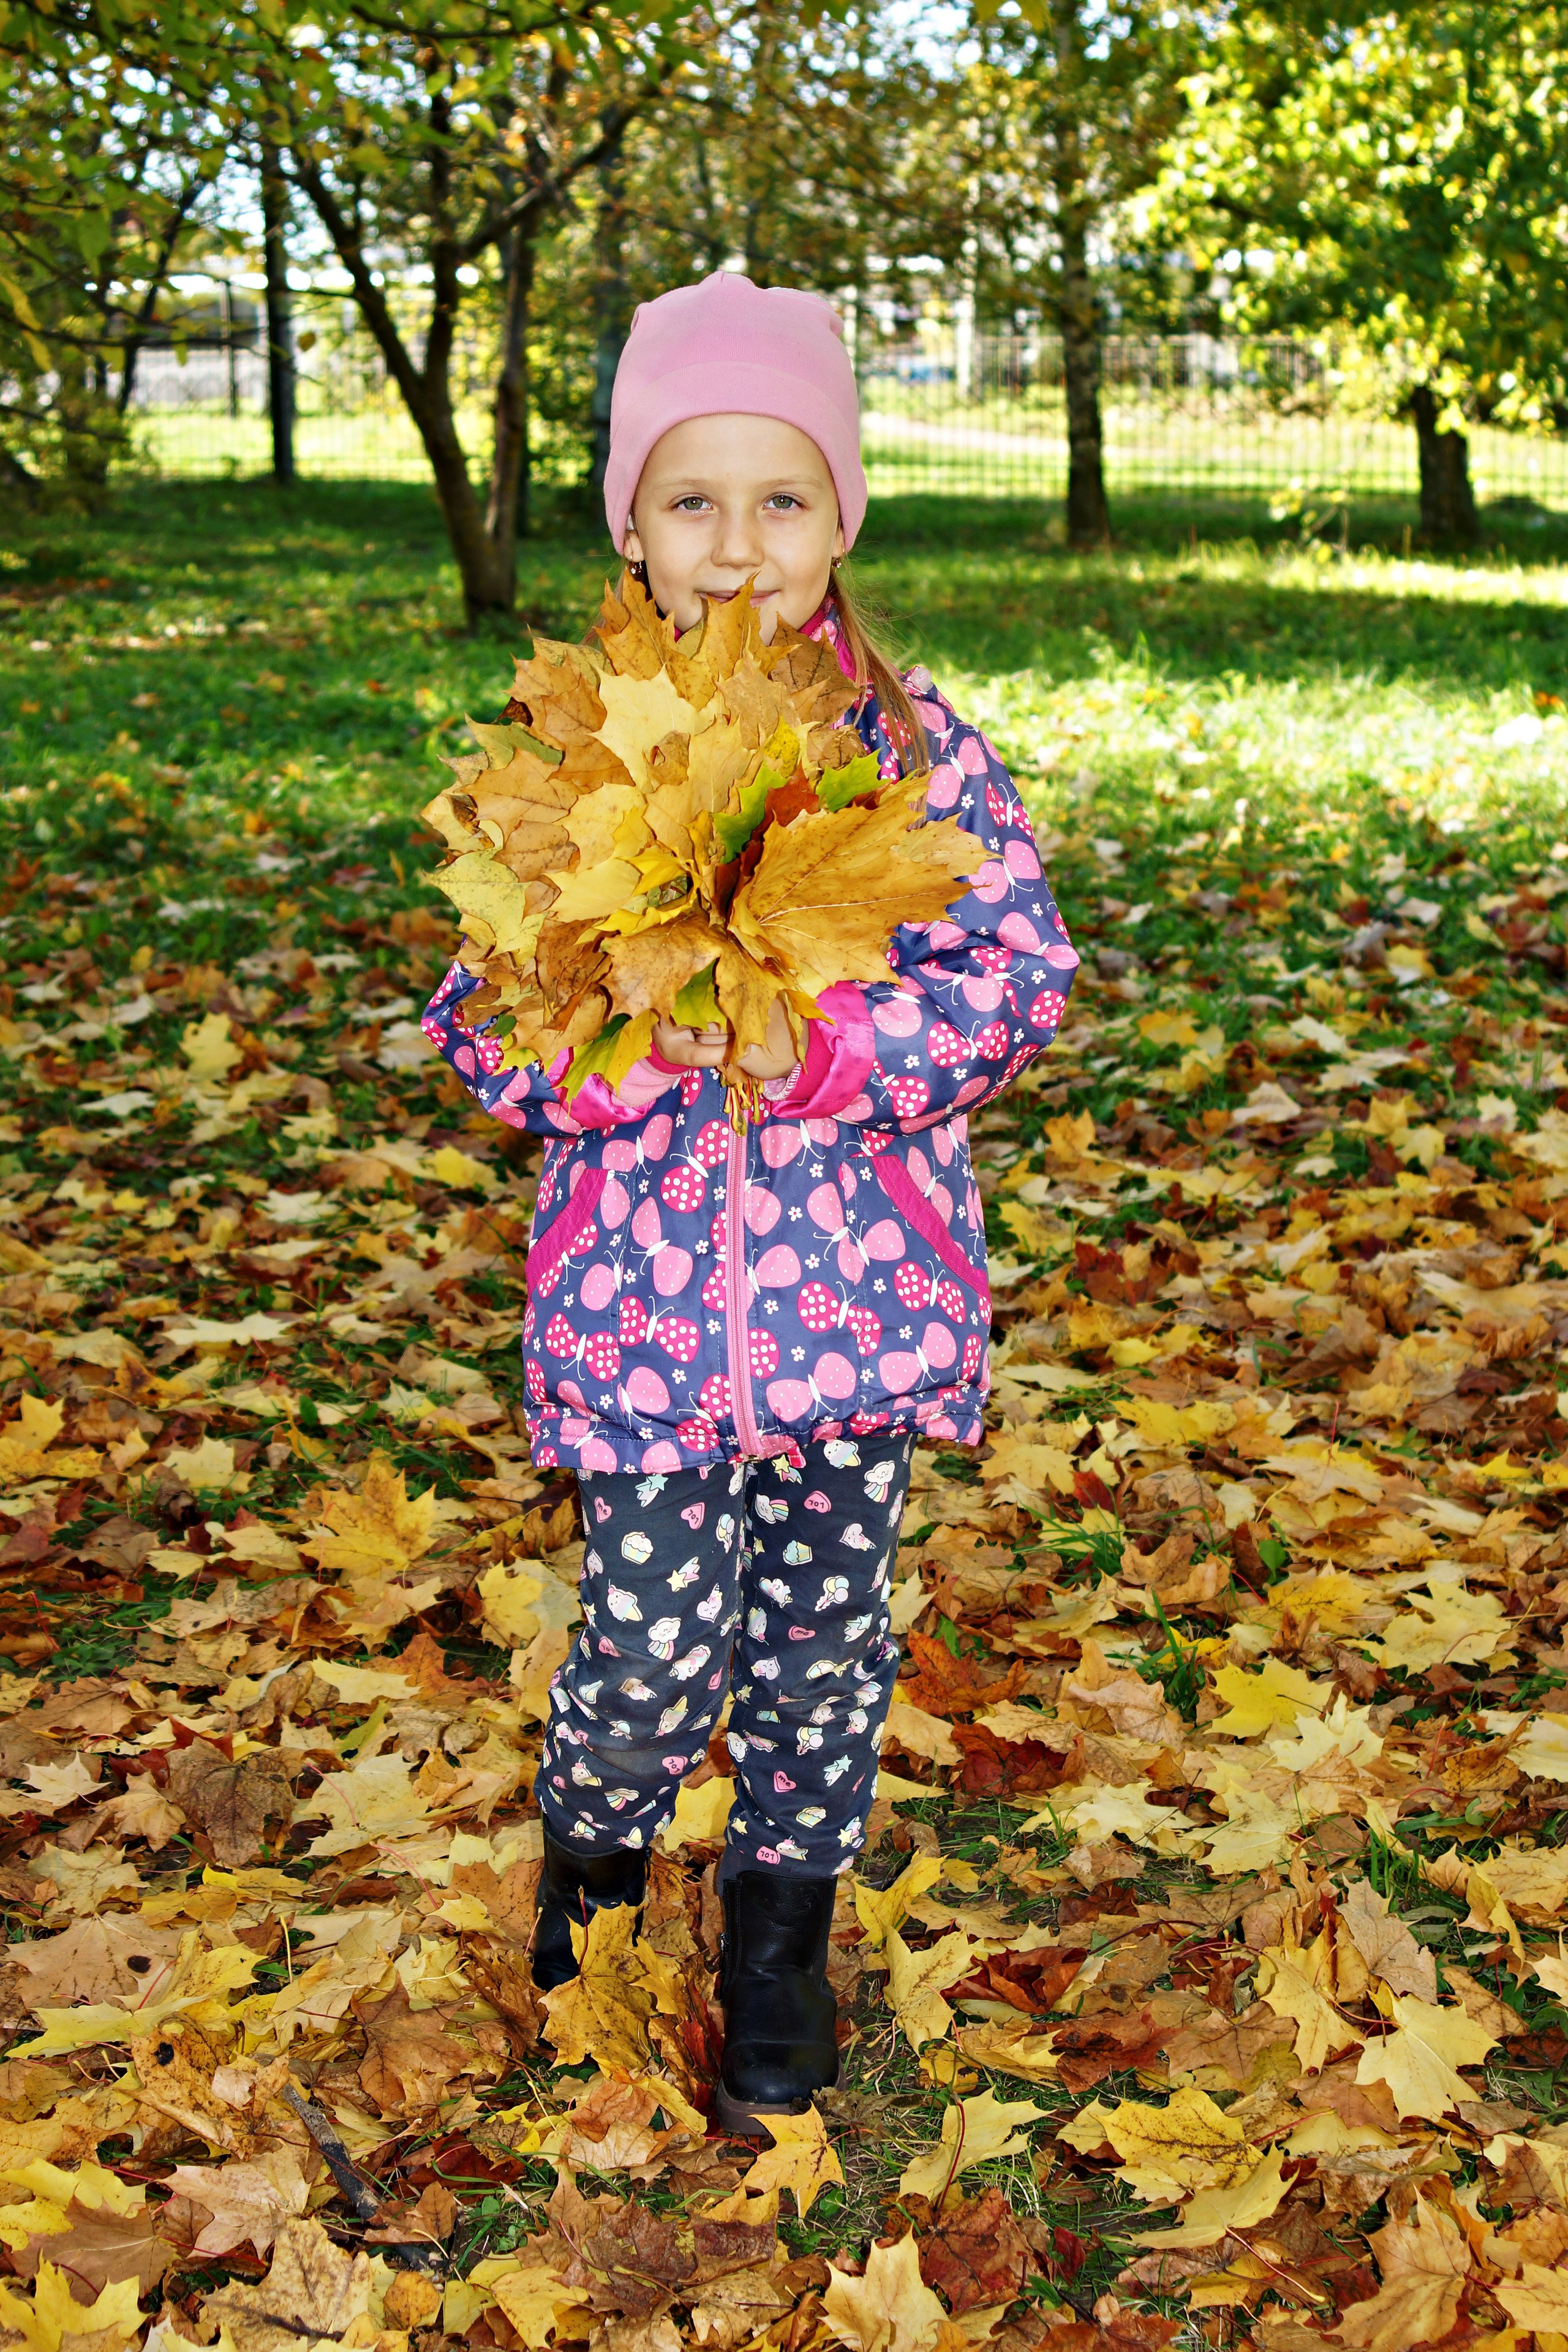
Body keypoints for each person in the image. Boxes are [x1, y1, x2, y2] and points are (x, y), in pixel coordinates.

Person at [421, 270, 1077, 2135]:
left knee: (821, 1648)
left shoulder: (918, 750)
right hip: (638, 1330)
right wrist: (609, 1058)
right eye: (690, 499)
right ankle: (597, 1899)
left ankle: (780, 1939)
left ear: (840, 517)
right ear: (631, 521)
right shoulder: (578, 765)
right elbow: (483, 1017)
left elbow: (1016, 977)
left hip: (858, 1320)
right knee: (644, 1644)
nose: (736, 545)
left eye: (781, 498)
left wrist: (836, 1054)